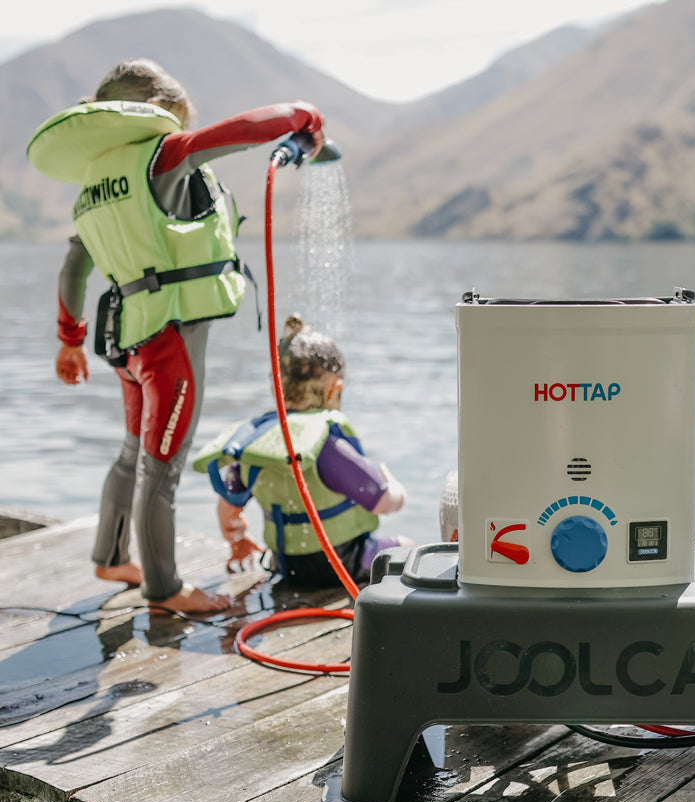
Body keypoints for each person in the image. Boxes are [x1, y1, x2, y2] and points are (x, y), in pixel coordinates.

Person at [26, 58, 327, 612]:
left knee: (132, 453)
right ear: (160, 111)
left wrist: (70, 340)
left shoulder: (95, 182)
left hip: (126, 338)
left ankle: (111, 556)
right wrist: (306, 115)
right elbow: (248, 129)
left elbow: (74, 268)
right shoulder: (163, 155)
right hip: (172, 341)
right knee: (160, 473)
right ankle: (164, 590)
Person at [193, 314, 413, 588]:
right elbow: (383, 502)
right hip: (346, 561)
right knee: (408, 548)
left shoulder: (258, 444)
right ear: (335, 387)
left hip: (286, 565)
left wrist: (238, 543)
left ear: (277, 386)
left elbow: (227, 510)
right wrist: (396, 489)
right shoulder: (327, 444)